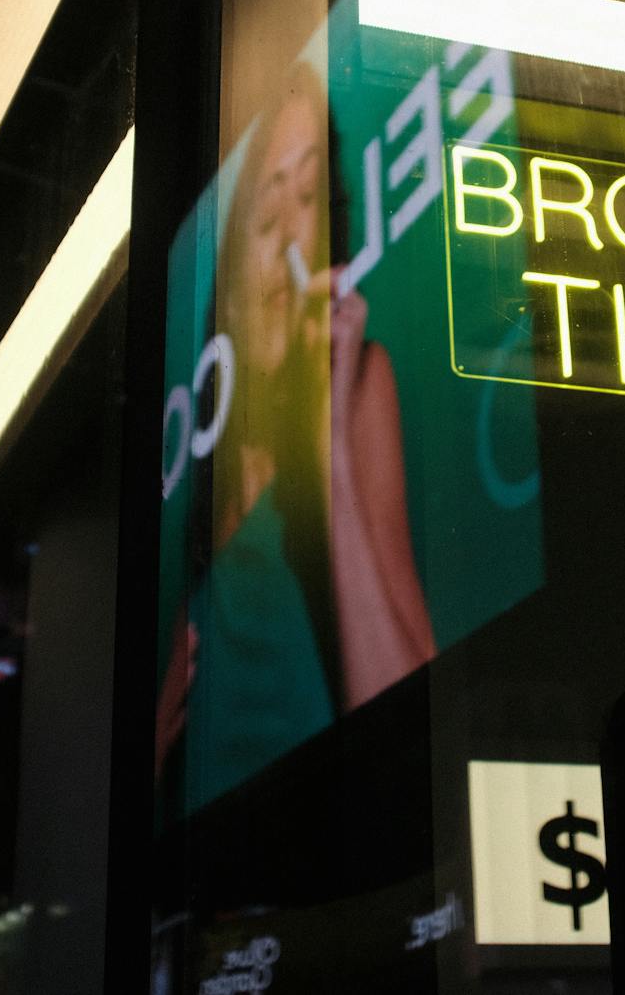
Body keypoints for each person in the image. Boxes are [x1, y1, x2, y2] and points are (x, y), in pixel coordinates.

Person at [158, 62, 434, 801]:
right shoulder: (197, 467)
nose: (289, 232)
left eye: (308, 194)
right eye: (266, 205)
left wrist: (332, 452)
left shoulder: (360, 385)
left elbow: (407, 727)